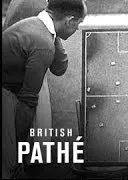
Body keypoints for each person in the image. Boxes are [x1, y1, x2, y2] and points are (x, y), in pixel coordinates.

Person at [2, 0, 87, 178]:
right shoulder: (42, 40)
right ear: (69, 20)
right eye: (77, 24)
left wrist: (54, 35)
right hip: (10, 91)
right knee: (9, 164)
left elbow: (59, 67)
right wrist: (19, 150)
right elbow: (27, 103)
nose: (77, 29)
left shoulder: (43, 24)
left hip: (16, 82)